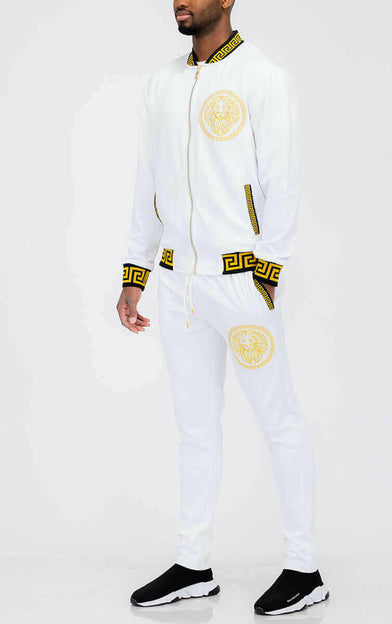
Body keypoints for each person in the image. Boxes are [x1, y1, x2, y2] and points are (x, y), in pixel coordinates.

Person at [116, 0, 330, 616]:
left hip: (241, 285)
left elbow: (282, 180)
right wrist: (136, 272)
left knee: (278, 420)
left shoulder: (263, 77)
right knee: (194, 426)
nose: (180, 0)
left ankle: (305, 567)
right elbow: (148, 181)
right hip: (180, 288)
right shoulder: (162, 84)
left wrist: (267, 273)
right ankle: (194, 564)